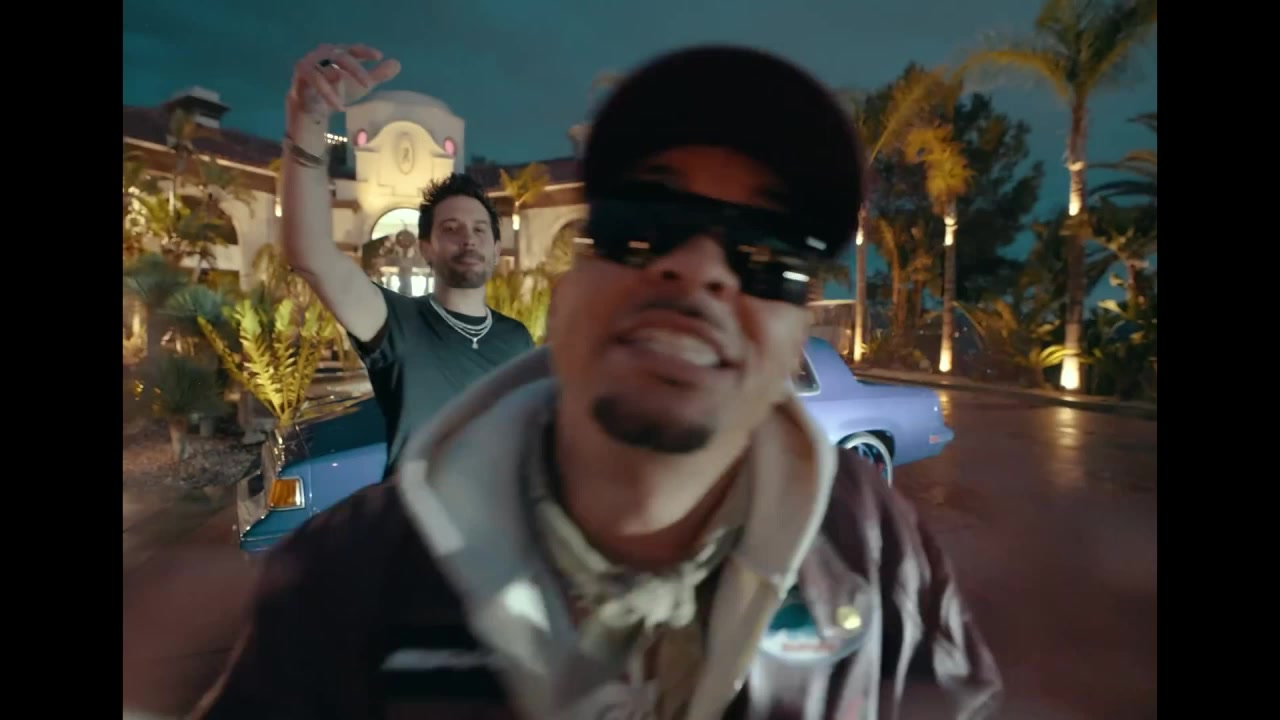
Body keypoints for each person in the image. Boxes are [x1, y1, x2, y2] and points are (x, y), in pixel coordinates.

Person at [174, 44, 1001, 719]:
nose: (699, 271)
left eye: (767, 260)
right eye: (644, 228)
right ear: (571, 292)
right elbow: (315, 255)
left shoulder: (878, 553)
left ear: (797, 327)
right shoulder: (353, 583)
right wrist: (306, 133)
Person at [279, 43, 534, 478]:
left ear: (496, 248)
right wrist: (309, 119)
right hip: (412, 520)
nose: (468, 239)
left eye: (479, 230)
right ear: (426, 248)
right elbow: (312, 253)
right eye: (450, 228)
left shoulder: (517, 341)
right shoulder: (394, 323)